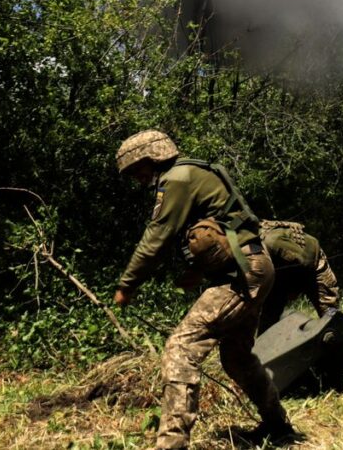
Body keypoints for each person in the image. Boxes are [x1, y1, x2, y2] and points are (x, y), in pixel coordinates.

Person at [112, 130, 297, 449]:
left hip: (242, 273)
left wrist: (127, 285)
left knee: (181, 348)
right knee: (237, 358)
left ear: (152, 157)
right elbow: (221, 229)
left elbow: (156, 238)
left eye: (137, 170)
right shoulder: (192, 172)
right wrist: (196, 271)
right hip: (252, 267)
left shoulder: (177, 179)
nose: (138, 179)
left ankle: (172, 444)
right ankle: (278, 427)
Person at [258, 220, 341, 333]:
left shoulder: (273, 243)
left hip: (314, 263)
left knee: (330, 316)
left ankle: (338, 345)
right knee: (268, 322)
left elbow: (303, 262)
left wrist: (291, 290)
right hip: (281, 272)